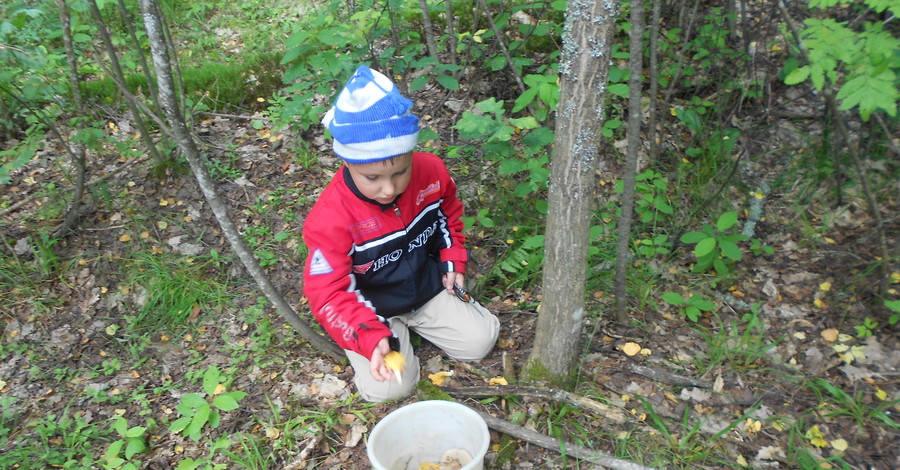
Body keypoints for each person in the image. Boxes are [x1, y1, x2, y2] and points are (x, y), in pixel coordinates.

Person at [301, 64, 500, 402]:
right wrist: (368, 334)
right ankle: (388, 335)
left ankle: (414, 326)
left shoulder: (430, 171)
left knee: (481, 340)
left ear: (410, 154)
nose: (388, 189)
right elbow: (327, 292)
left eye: (399, 172)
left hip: (426, 289)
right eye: (373, 178)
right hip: (373, 308)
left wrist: (452, 260)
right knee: (391, 388)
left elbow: (448, 217)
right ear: (347, 162)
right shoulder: (331, 218)